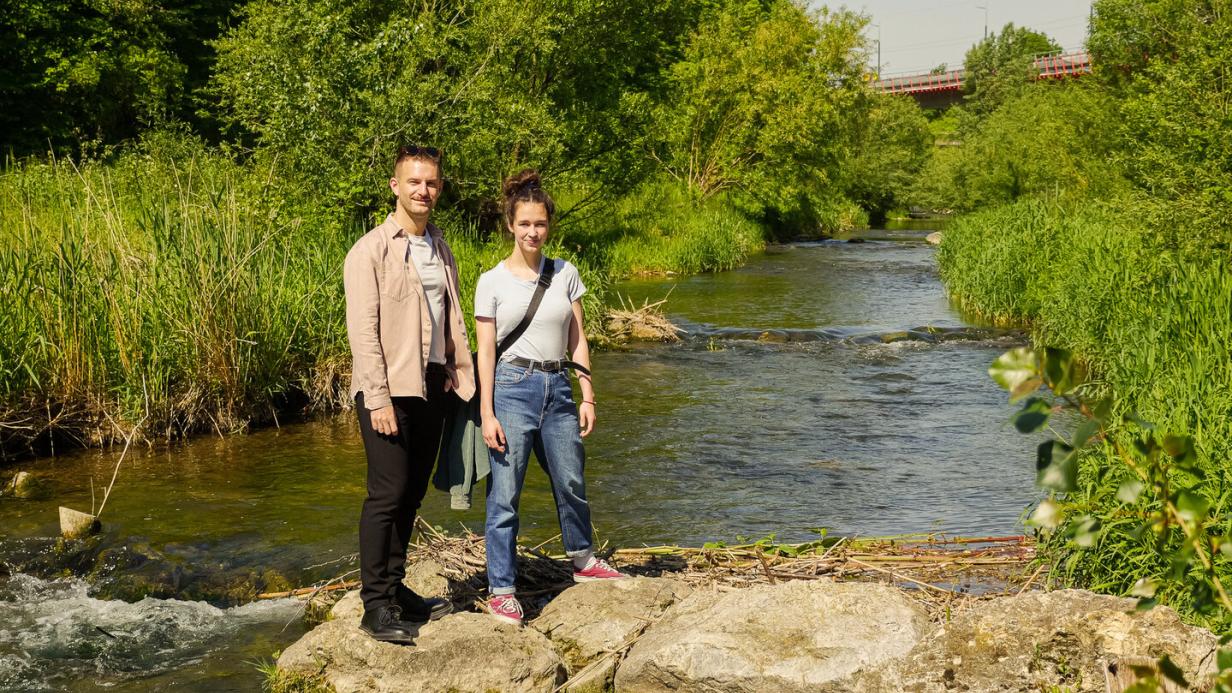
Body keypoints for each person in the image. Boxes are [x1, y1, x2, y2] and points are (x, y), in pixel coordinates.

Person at [474, 169, 626, 627]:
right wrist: (487, 411)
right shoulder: (492, 281)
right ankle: (502, 588)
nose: (533, 232)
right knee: (505, 494)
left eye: (540, 224)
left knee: (571, 480)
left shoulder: (565, 273)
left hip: (558, 388)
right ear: (510, 225)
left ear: (548, 226)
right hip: (511, 388)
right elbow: (484, 351)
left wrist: (588, 394)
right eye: (524, 224)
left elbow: (577, 337)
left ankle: (582, 559)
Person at [343, 145, 476, 643]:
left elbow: (450, 316)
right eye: (415, 182)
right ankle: (375, 605)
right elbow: (364, 331)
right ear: (395, 186)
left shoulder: (440, 247)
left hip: (431, 388)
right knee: (386, 494)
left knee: (413, 494)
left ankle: (397, 590)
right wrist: (376, 398)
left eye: (432, 183)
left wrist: (451, 367)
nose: (424, 190)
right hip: (388, 391)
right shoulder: (370, 250)